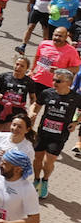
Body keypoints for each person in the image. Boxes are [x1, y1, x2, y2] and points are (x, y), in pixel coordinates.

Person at [30, 66, 81, 197]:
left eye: (58, 81)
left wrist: (76, 122)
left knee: (49, 162)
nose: (54, 83)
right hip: (43, 132)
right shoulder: (47, 93)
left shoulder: (75, 98)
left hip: (59, 136)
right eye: (54, 80)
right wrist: (32, 113)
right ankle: (36, 180)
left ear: (69, 83)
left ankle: (45, 180)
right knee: (37, 158)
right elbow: (36, 105)